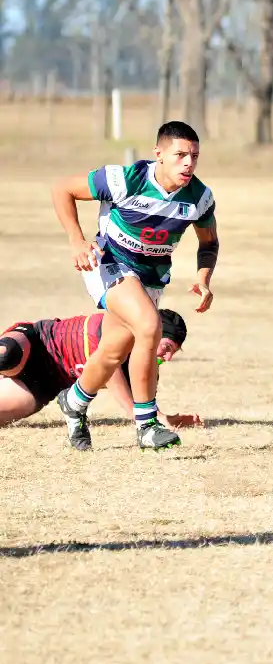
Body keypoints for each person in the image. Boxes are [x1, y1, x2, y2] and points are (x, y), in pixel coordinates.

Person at [50, 120, 218, 451]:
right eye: (180, 154)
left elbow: (209, 242)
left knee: (113, 351)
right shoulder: (125, 179)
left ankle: (74, 401)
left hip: (150, 278)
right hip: (109, 264)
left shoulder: (199, 198)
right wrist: (76, 240)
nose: (188, 163)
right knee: (148, 325)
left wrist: (203, 278)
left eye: (194, 156)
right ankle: (147, 424)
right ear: (159, 155)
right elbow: (62, 190)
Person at [1, 310, 198, 431]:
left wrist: (163, 418)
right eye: (167, 348)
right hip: (40, 343)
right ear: (153, 334)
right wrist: (141, 420)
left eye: (174, 352)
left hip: (46, 382)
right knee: (7, 355)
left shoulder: (144, 368)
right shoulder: (117, 327)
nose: (168, 357)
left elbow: (143, 403)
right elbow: (110, 370)